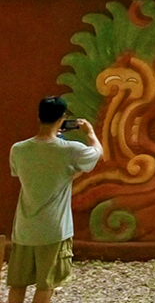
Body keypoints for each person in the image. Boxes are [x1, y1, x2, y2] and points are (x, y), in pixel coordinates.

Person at [6, 97, 102, 303]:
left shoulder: (18, 149)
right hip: (53, 231)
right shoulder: (70, 150)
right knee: (46, 285)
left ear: (38, 116)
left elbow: (32, 175)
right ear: (63, 118)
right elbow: (96, 153)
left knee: (18, 284)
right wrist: (90, 133)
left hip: (24, 230)